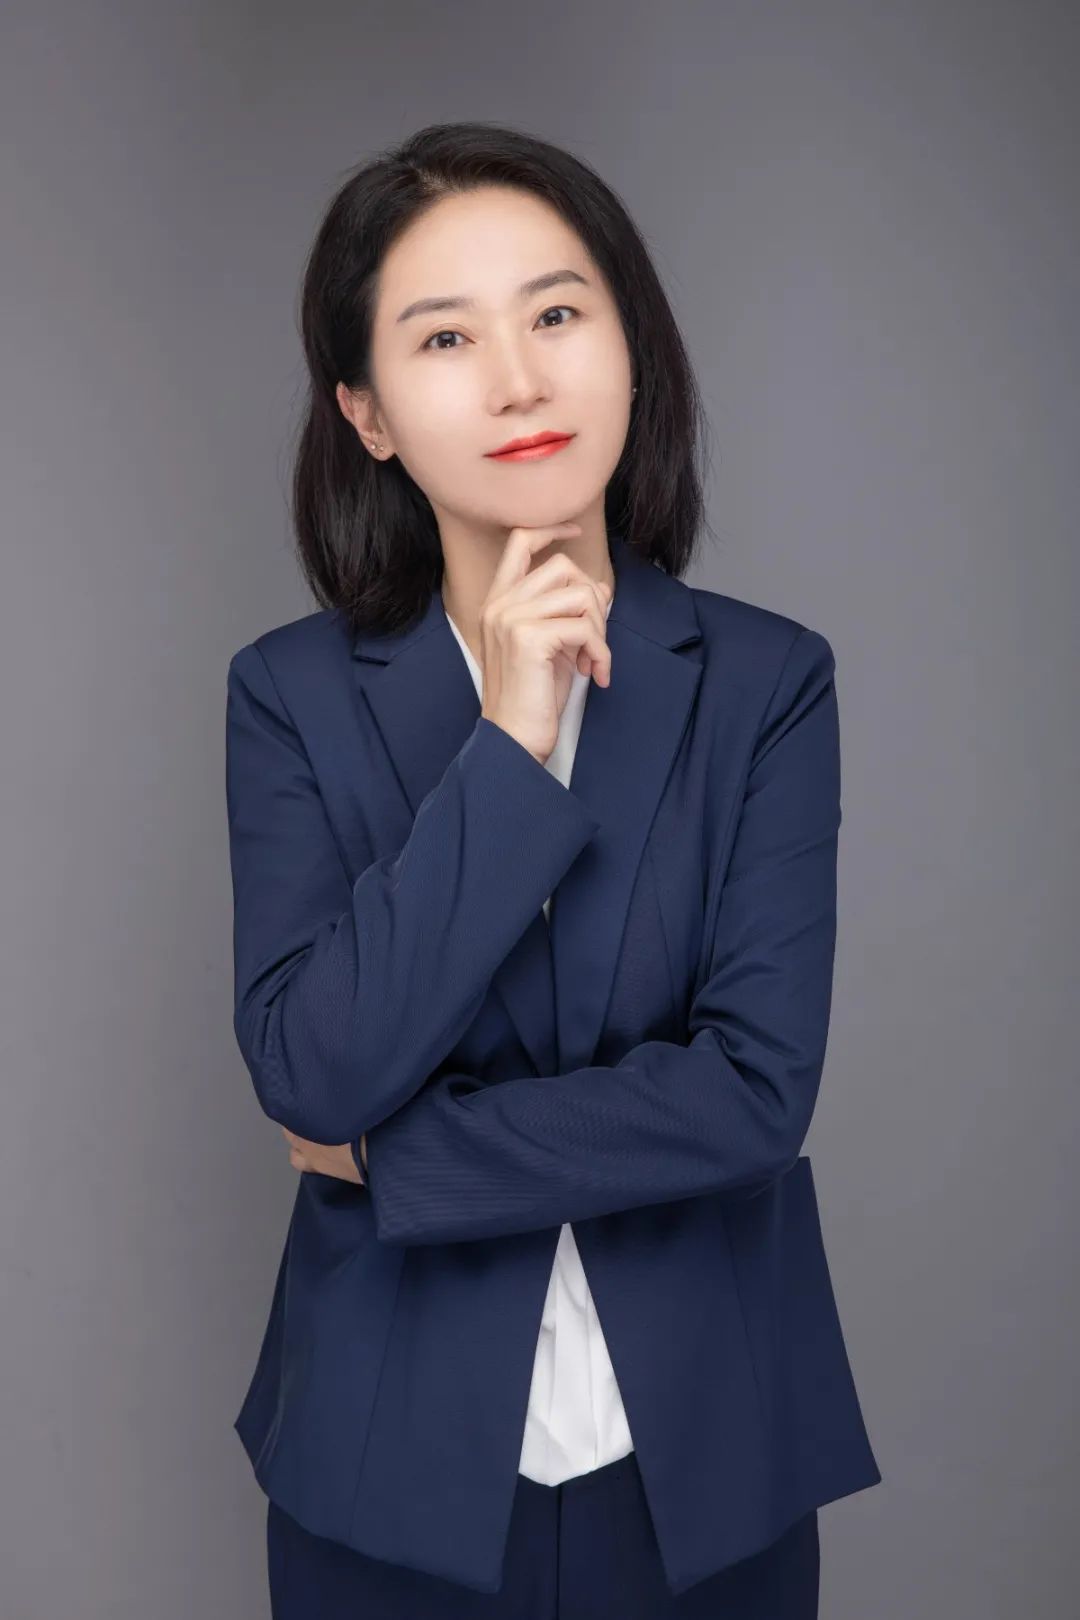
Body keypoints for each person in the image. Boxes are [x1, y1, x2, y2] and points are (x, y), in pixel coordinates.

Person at [225, 120, 882, 1619]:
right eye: (445, 337)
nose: (519, 379)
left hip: (709, 1464)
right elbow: (314, 1070)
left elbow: (752, 1098)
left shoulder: (768, 684)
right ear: (367, 412)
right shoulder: (289, 696)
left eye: (558, 313)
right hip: (383, 1468)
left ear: (630, 348)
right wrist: (513, 746)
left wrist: (399, 1160)